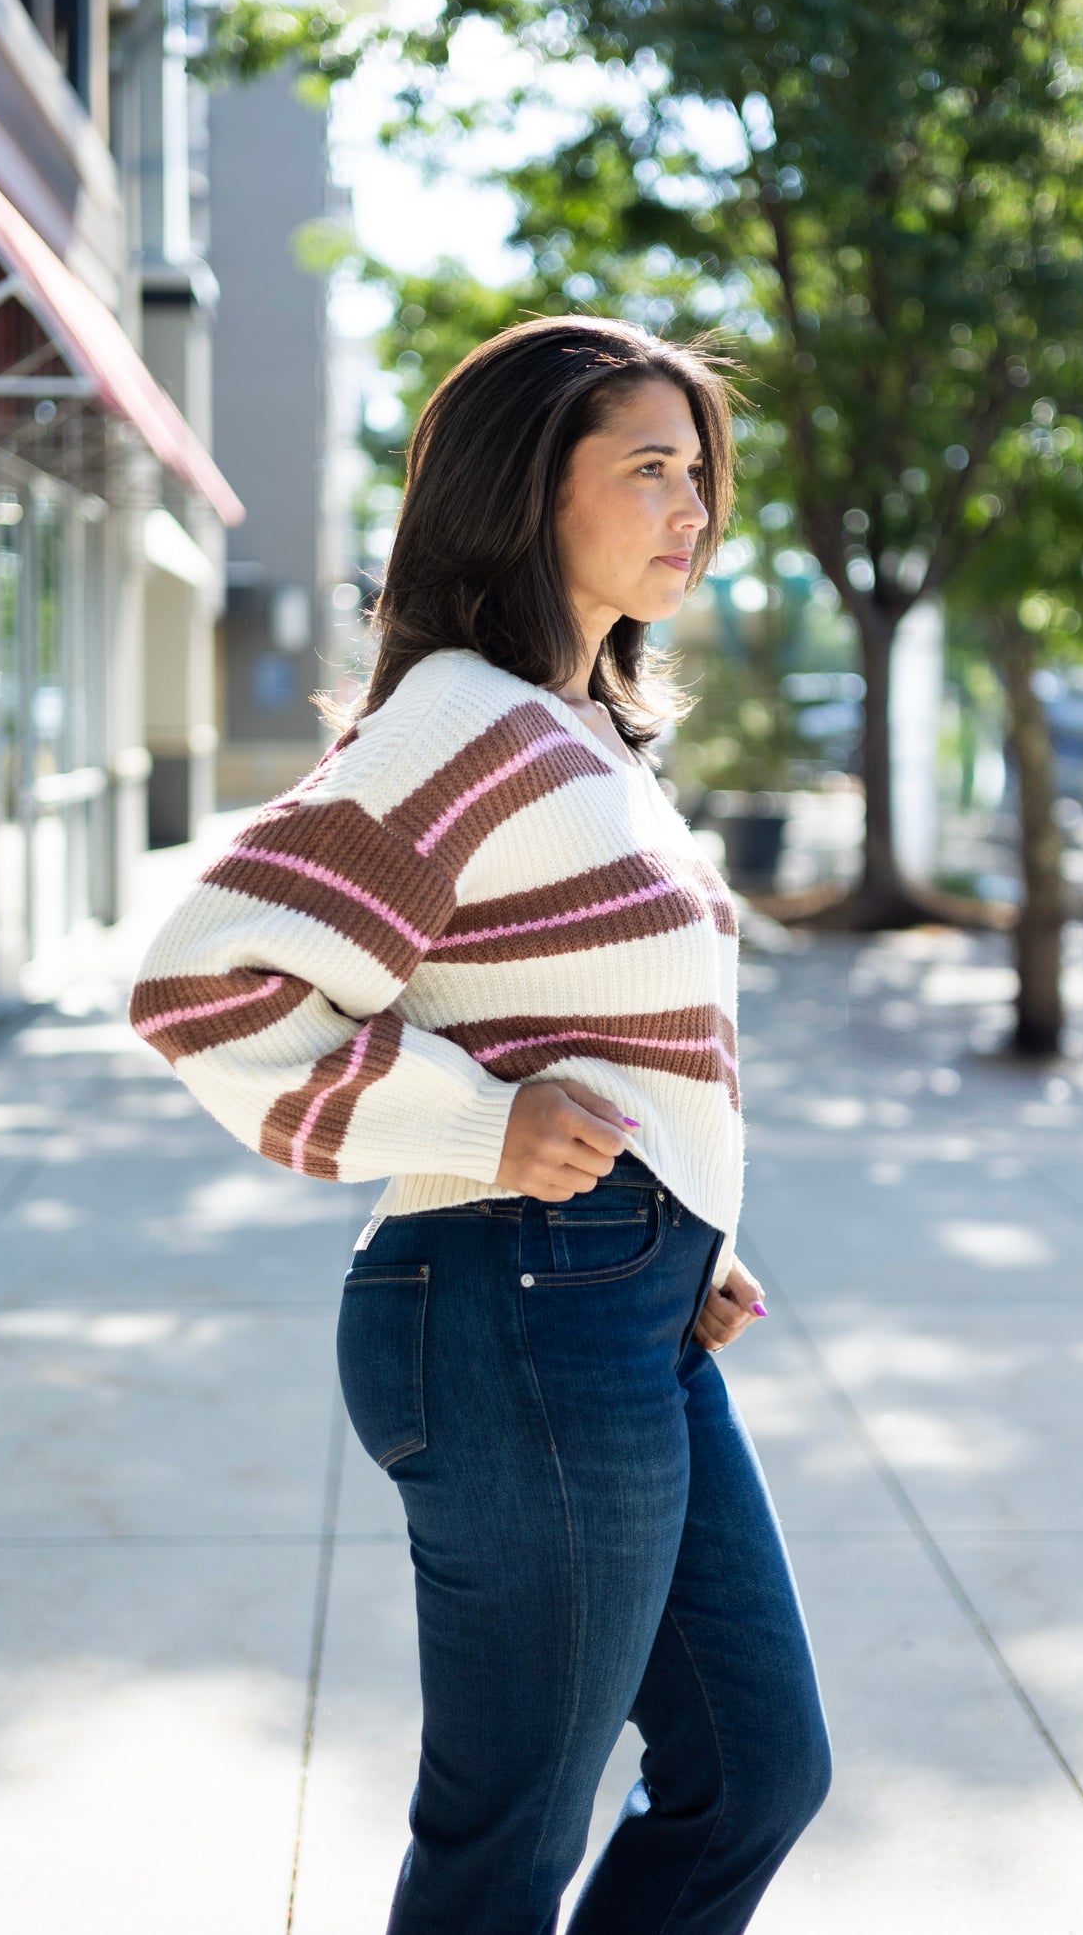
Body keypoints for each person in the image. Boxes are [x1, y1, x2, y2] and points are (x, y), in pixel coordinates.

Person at [129, 315, 831, 1932]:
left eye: (702, 471)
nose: (695, 506)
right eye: (650, 467)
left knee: (755, 1774)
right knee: (507, 1842)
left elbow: (586, 1020)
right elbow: (203, 984)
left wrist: (680, 1221)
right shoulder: (465, 719)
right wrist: (479, 1130)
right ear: (528, 489)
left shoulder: (578, 732)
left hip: (616, 1299)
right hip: (518, 1310)